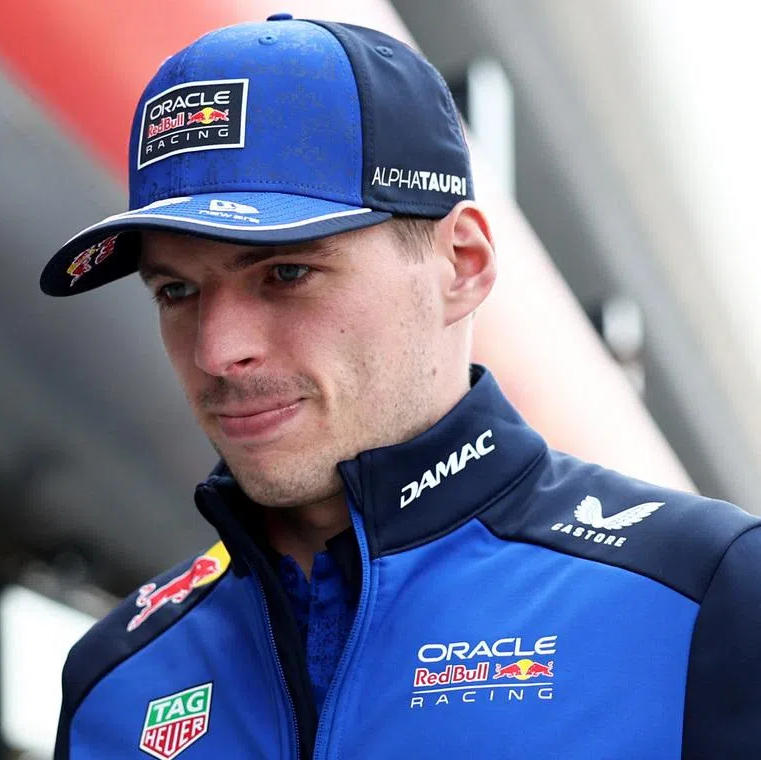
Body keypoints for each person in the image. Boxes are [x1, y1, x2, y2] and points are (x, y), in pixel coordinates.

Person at [40, 14, 761, 760]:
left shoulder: (702, 594)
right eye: (176, 292)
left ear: (463, 264)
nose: (220, 352)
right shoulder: (114, 681)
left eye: (286, 274)